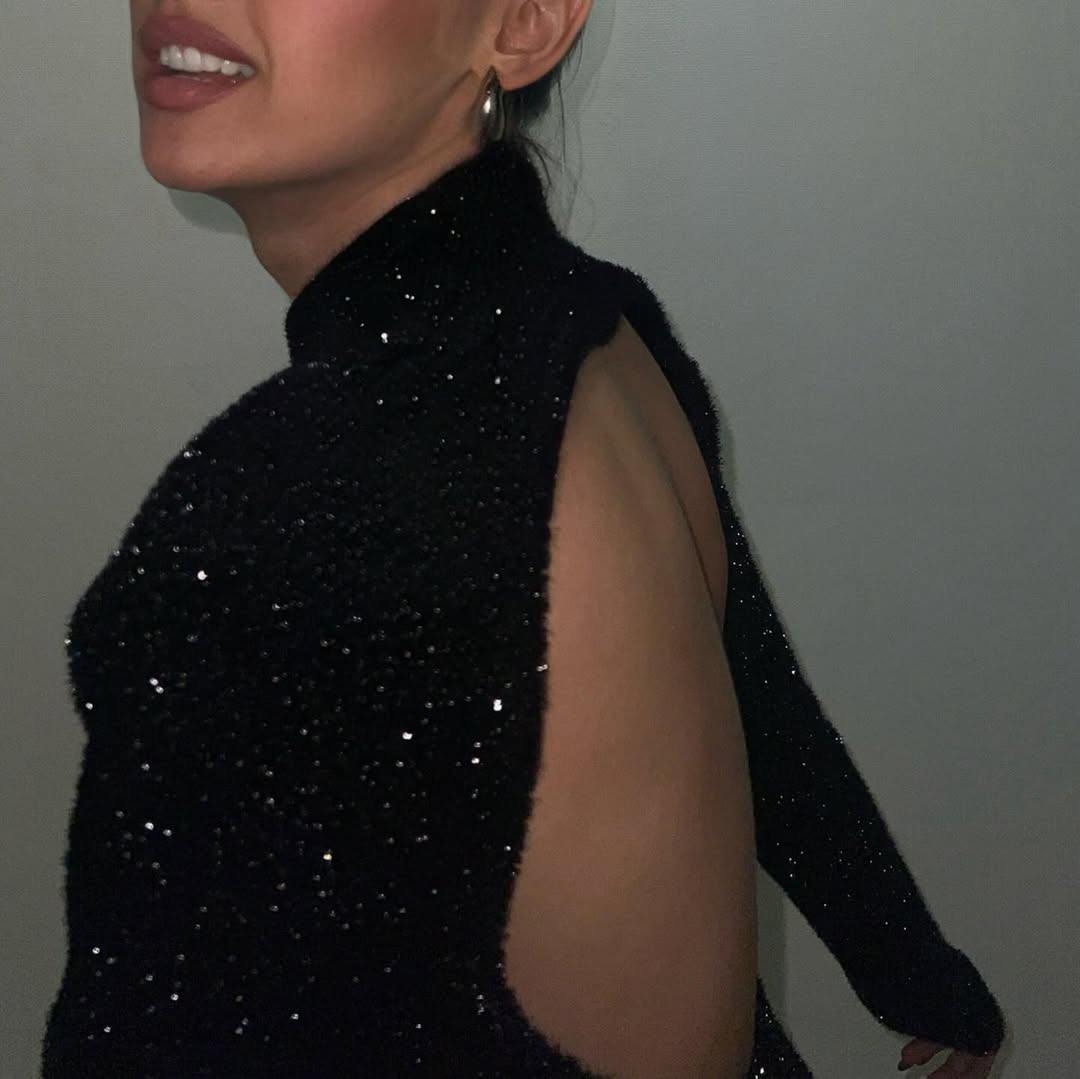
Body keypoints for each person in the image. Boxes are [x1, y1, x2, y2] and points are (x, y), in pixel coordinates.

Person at [41, 2, 1005, 1076]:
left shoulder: (288, 511)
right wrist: (911, 966)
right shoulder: (593, 325)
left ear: (527, 23)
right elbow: (750, 687)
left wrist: (906, 964)